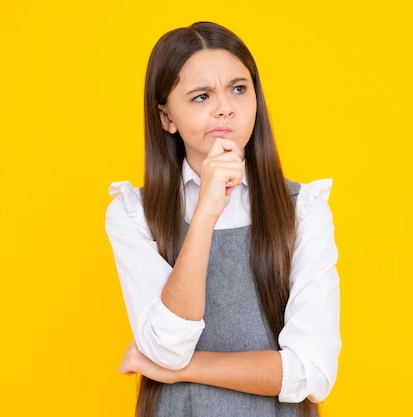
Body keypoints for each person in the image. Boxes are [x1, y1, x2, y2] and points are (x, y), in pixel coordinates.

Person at [105, 21, 341, 417]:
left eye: (238, 88)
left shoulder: (303, 208)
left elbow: (311, 372)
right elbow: (167, 345)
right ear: (166, 117)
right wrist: (205, 213)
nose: (226, 107)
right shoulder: (133, 214)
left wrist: (182, 370)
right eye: (200, 96)